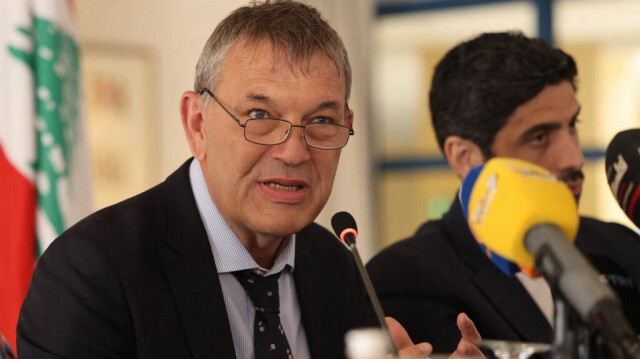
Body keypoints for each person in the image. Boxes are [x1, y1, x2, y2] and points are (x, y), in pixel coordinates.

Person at [17, 1, 483, 358]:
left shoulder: (341, 270)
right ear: (197, 124)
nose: (295, 151)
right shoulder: (94, 270)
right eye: (259, 115)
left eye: (321, 121)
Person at [367, 31, 640, 354]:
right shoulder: (405, 279)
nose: (574, 158)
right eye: (539, 137)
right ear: (465, 157)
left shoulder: (620, 247)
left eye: (573, 125)